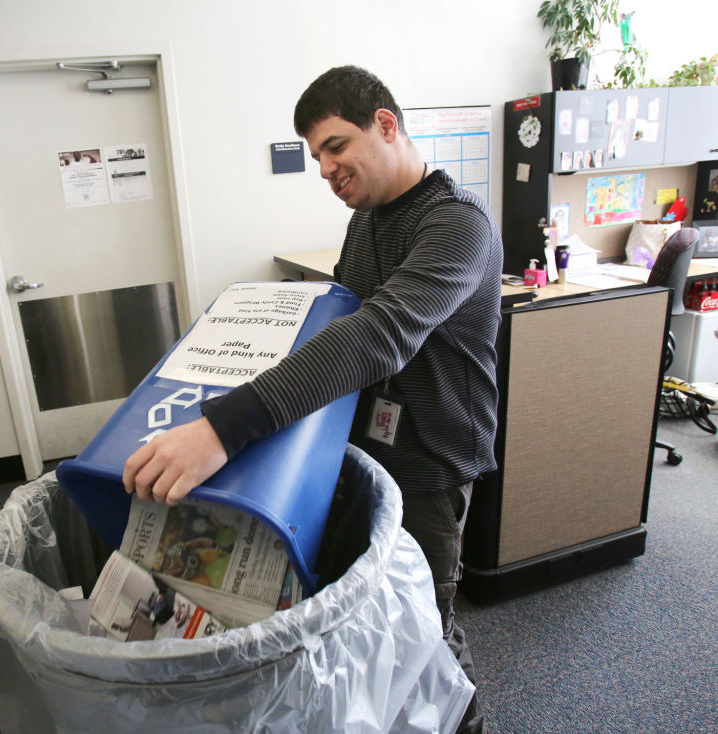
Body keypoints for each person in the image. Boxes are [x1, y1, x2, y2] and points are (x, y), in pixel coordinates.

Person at [122, 66, 502, 733]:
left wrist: (223, 428)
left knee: (426, 625)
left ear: (385, 124)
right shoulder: (366, 222)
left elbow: (378, 337)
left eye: (334, 146)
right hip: (358, 450)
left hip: (432, 460)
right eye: (316, 155)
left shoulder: (458, 224)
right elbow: (332, 321)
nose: (324, 168)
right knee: (364, 614)